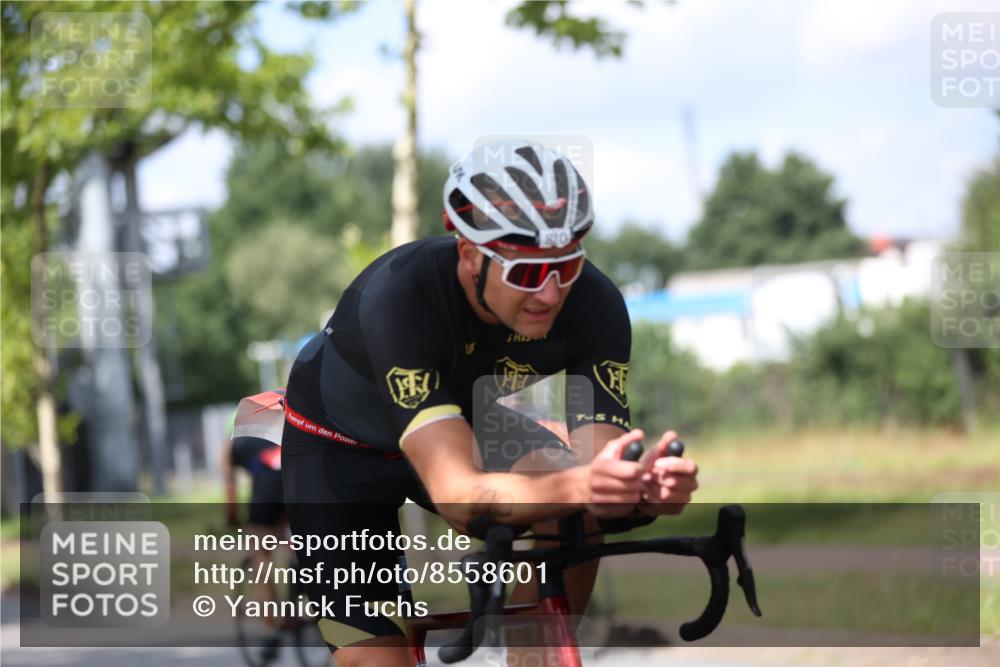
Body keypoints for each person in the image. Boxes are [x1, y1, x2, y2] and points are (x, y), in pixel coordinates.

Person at [281, 139, 699, 667]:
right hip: (341, 452)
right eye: (525, 273)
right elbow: (458, 496)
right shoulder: (403, 296)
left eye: (565, 267)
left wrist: (636, 490)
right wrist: (578, 484)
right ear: (470, 254)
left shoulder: (595, 304)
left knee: (573, 513)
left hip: (475, 420)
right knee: (376, 658)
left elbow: (598, 467)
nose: (549, 294)